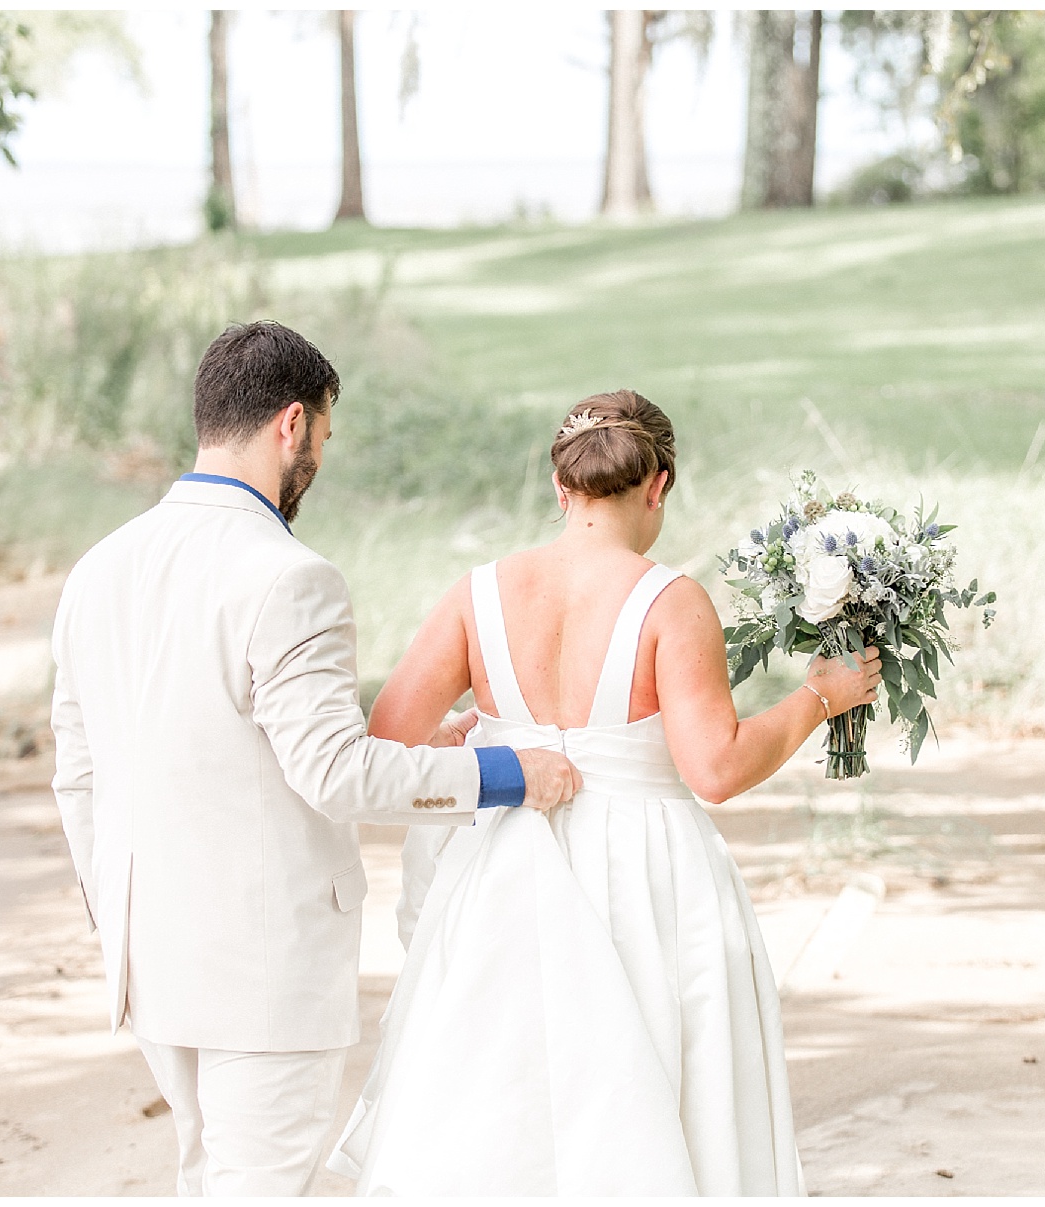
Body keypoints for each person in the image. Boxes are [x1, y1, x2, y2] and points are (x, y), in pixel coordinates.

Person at [48, 321, 582, 1197]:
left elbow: (82, 776)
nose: (318, 464)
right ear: (291, 424)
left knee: (207, 1178)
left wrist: (117, 910)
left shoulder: (98, 571)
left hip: (150, 954)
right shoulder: (288, 576)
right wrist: (507, 773)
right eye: (324, 438)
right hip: (261, 963)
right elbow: (334, 775)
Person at [328, 389, 882, 1195]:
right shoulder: (670, 600)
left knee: (497, 1101)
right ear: (657, 485)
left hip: (500, 882)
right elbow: (717, 767)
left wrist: (464, 741)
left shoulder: (477, 593)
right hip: (647, 886)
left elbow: (388, 740)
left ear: (561, 489)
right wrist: (820, 697)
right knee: (646, 1103)